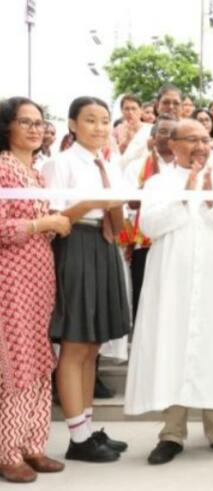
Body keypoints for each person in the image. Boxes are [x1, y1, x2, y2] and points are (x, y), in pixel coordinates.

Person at [124, 119, 213, 464]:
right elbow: (150, 226)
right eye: (190, 140)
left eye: (203, 140)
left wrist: (208, 201)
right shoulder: (158, 182)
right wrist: (185, 195)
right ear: (173, 144)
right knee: (173, 346)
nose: (198, 146)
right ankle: (172, 433)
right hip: (172, 282)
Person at [43, 96, 131, 463]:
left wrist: (114, 203)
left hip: (104, 243)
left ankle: (87, 429)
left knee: (93, 343)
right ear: (73, 124)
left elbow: (121, 220)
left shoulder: (107, 163)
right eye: (90, 120)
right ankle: (77, 436)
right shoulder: (59, 163)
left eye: (104, 120)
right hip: (75, 242)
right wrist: (94, 200)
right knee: (76, 343)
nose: (98, 127)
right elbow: (53, 216)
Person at [0, 97, 71, 483]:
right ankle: (7, 449)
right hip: (8, 278)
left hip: (40, 277)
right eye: (24, 121)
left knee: (41, 360)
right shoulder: (2, 167)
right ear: (6, 126)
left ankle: (32, 444)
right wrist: (43, 224)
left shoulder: (38, 173)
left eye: (39, 122)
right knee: (17, 363)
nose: (33, 128)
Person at [121, 114, 179, 322]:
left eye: (175, 133)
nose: (170, 137)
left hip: (178, 242)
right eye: (163, 132)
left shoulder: (188, 168)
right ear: (153, 137)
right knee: (147, 303)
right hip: (145, 245)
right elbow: (129, 203)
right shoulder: (136, 167)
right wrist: (150, 185)